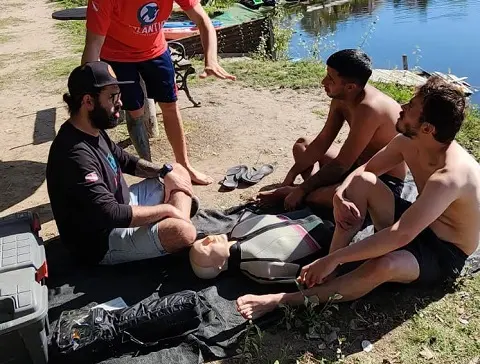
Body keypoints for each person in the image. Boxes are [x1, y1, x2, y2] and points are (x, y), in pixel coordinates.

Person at [236, 76, 480, 319]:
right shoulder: (408, 140)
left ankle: (285, 300)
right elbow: (366, 170)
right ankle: (329, 271)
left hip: (443, 251)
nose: (402, 107)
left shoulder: (449, 177)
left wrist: (336, 258)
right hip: (416, 221)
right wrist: (341, 194)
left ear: (427, 128)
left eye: (411, 107)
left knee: (385, 264)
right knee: (361, 183)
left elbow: (401, 234)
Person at [46, 61, 198, 265]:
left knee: (177, 170)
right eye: (112, 97)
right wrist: (168, 210)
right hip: (101, 240)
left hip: (124, 204)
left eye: (118, 95)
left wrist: (165, 172)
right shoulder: (73, 155)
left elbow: (126, 160)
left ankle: (172, 221)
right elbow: (110, 214)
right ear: (88, 101)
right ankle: (175, 221)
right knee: (184, 232)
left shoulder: (91, 127)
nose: (119, 103)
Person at [81, 0, 236, 185]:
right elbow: (93, 44)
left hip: (155, 51)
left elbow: (203, 20)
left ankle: (184, 165)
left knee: (170, 105)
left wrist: (211, 60)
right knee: (135, 111)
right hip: (117, 55)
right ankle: (150, 170)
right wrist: (88, 87)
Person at [257, 49, 407, 211]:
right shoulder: (342, 97)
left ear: (350, 87)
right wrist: (290, 176)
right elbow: (323, 141)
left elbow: (342, 163)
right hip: (354, 165)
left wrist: (302, 189)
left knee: (338, 196)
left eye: (330, 79)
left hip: (380, 180)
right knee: (303, 145)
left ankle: (306, 195)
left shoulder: (369, 109)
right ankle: (309, 193)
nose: (323, 81)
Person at [189, 211, 334, 283]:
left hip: (312, 215)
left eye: (202, 240)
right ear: (219, 266)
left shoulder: (239, 229)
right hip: (330, 236)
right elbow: (298, 275)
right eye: (205, 247)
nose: (208, 239)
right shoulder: (256, 266)